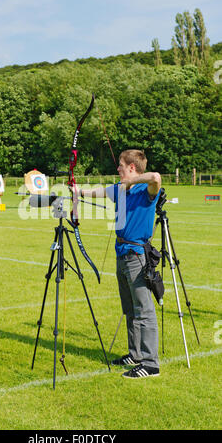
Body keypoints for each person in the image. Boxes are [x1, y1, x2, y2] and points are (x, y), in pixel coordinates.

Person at [76, 149, 161, 378]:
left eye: (121, 166)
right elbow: (98, 192)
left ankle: (151, 363)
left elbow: (155, 177)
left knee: (144, 310)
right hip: (121, 252)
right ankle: (135, 354)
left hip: (136, 254)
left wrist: (134, 180)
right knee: (130, 309)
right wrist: (77, 191)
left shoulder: (147, 190)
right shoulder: (120, 189)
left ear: (132, 168)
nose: (118, 169)